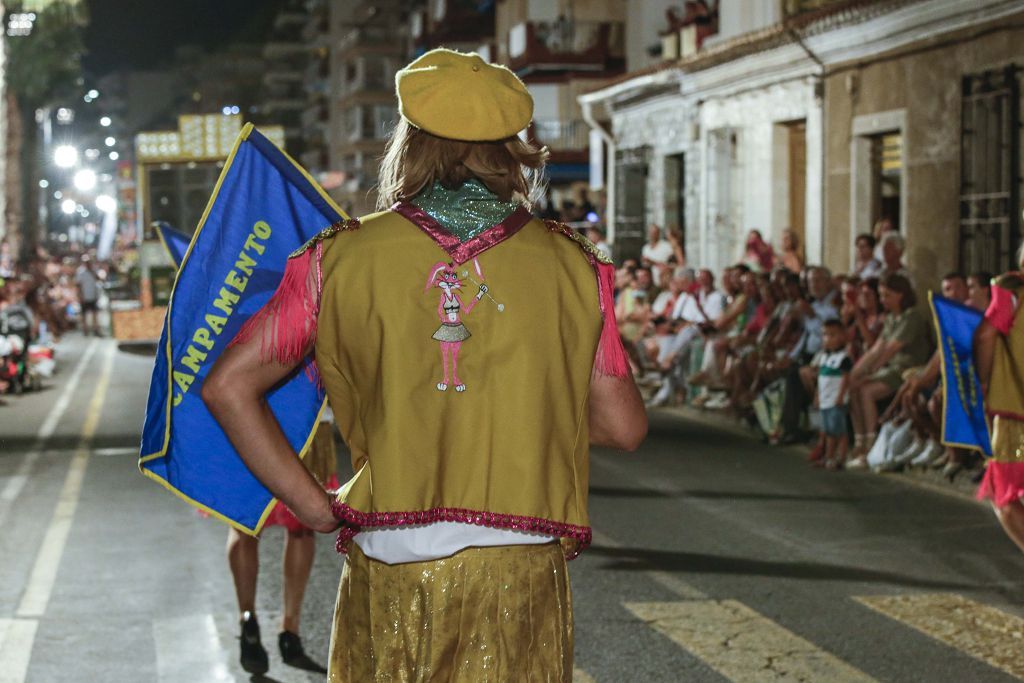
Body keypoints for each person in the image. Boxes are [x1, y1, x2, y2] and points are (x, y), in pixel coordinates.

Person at [203, 48, 647, 681]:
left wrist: (312, 505)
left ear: (408, 143)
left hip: (391, 558)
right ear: (511, 151)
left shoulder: (335, 260)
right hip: (520, 563)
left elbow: (228, 387)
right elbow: (624, 428)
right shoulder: (576, 264)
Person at [225, 411, 337, 675]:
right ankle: (290, 630)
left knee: (245, 528)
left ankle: (247, 619)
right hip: (308, 420)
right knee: (302, 528)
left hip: (247, 416)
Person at [847, 273, 932, 467]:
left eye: (886, 295)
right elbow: (876, 348)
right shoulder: (892, 318)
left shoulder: (912, 316)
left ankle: (870, 444)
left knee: (866, 391)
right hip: (891, 368)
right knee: (853, 388)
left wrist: (871, 370)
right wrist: (855, 373)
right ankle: (859, 440)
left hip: (907, 369)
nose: (882, 300)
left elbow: (891, 348)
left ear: (900, 294)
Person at [975, 246, 1024, 553]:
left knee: (1004, 500)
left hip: (1016, 414)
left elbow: (985, 335)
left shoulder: (1012, 291)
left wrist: (981, 382)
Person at [813, 320, 852, 469]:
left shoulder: (844, 358)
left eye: (833, 335)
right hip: (825, 400)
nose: (828, 339)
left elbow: (845, 379)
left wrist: (841, 396)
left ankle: (840, 458)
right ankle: (828, 457)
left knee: (839, 431)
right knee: (828, 430)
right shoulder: (824, 357)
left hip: (836, 400)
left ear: (842, 336)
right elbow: (820, 379)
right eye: (825, 335)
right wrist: (817, 396)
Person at [74, 255, 101, 336]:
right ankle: (85, 329)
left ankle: (95, 329)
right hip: (84, 296)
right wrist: (80, 296)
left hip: (93, 295)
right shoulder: (80, 272)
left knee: (94, 313)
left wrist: (92, 271)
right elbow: (78, 285)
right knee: (84, 314)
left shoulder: (94, 270)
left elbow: (98, 279)